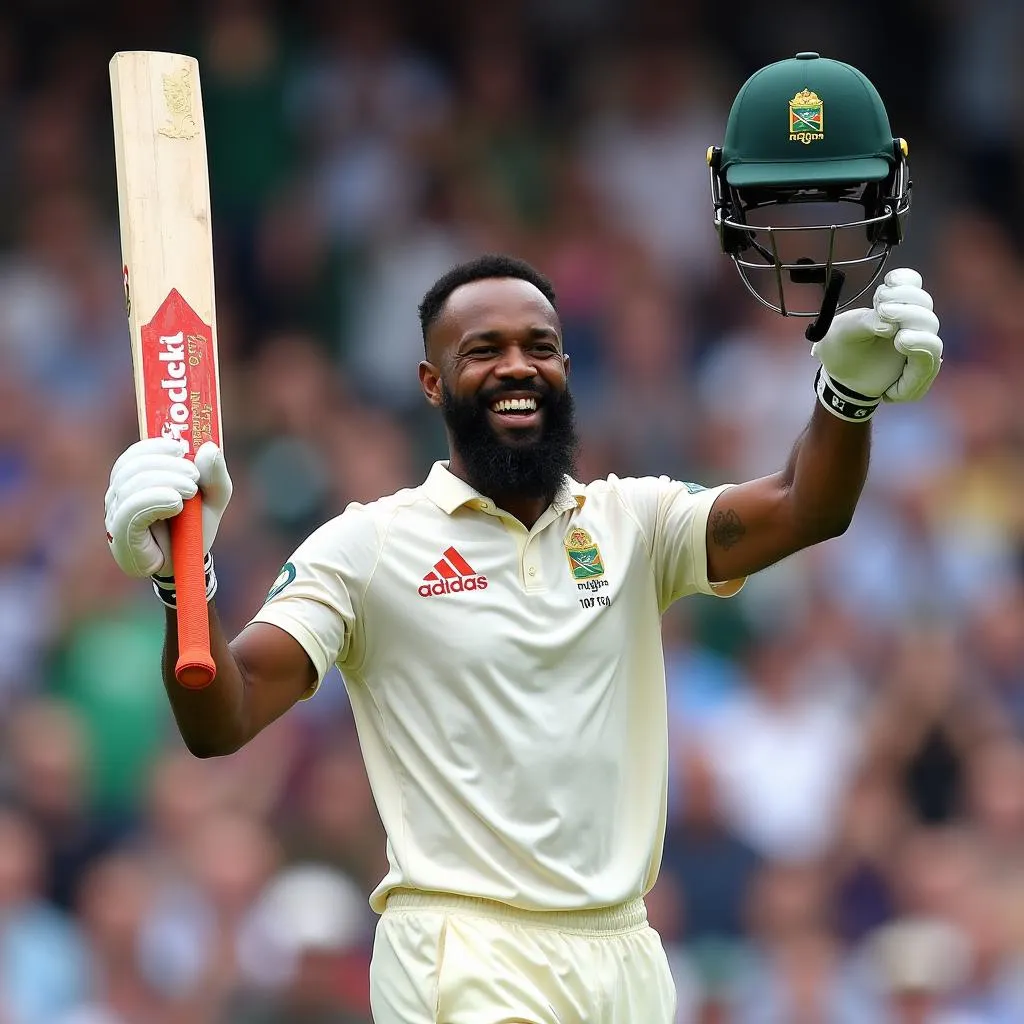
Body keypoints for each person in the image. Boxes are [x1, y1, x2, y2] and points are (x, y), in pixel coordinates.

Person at [103, 59, 944, 1024]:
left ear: (566, 366)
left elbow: (808, 506)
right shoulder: (368, 547)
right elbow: (225, 716)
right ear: (431, 384)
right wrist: (184, 584)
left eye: (539, 347)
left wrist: (846, 398)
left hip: (621, 955)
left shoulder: (634, 522)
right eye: (484, 351)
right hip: (460, 949)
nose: (517, 367)